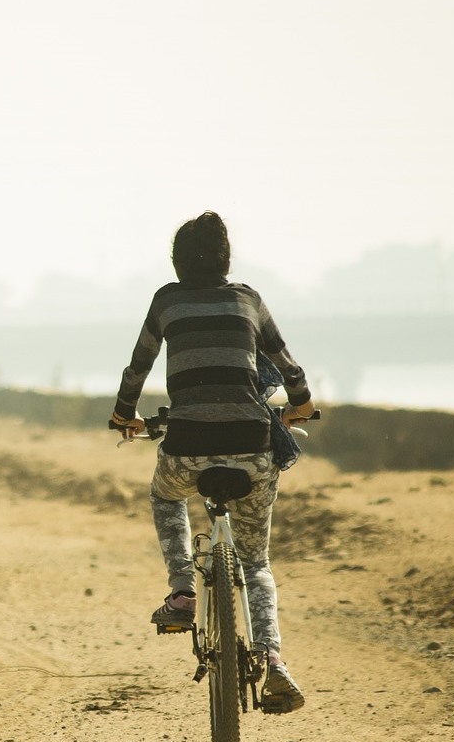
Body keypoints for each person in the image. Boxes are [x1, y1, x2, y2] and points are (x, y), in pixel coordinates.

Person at [109, 211, 316, 713]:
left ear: (178, 262)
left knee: (165, 495)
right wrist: (301, 408)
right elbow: (288, 365)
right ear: (227, 260)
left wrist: (123, 415)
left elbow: (139, 364)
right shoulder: (248, 299)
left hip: (186, 446)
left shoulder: (167, 300)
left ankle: (181, 590)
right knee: (257, 562)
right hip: (252, 447)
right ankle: (272, 659)